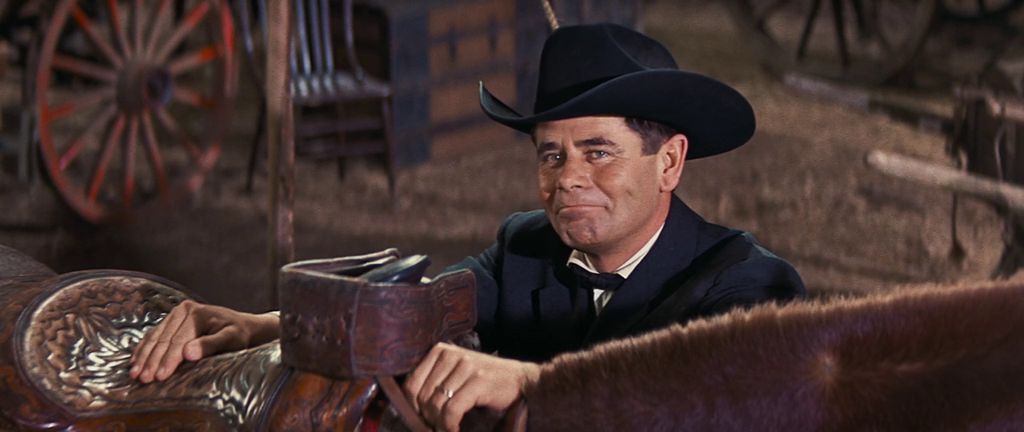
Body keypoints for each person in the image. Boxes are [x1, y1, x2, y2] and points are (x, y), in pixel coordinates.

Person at [130, 22, 805, 431]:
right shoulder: (524, 249)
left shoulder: (750, 286)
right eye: (550, 154)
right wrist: (258, 326)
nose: (567, 178)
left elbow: (714, 408)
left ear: (670, 162)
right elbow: (404, 316)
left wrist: (531, 384)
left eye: (598, 152)